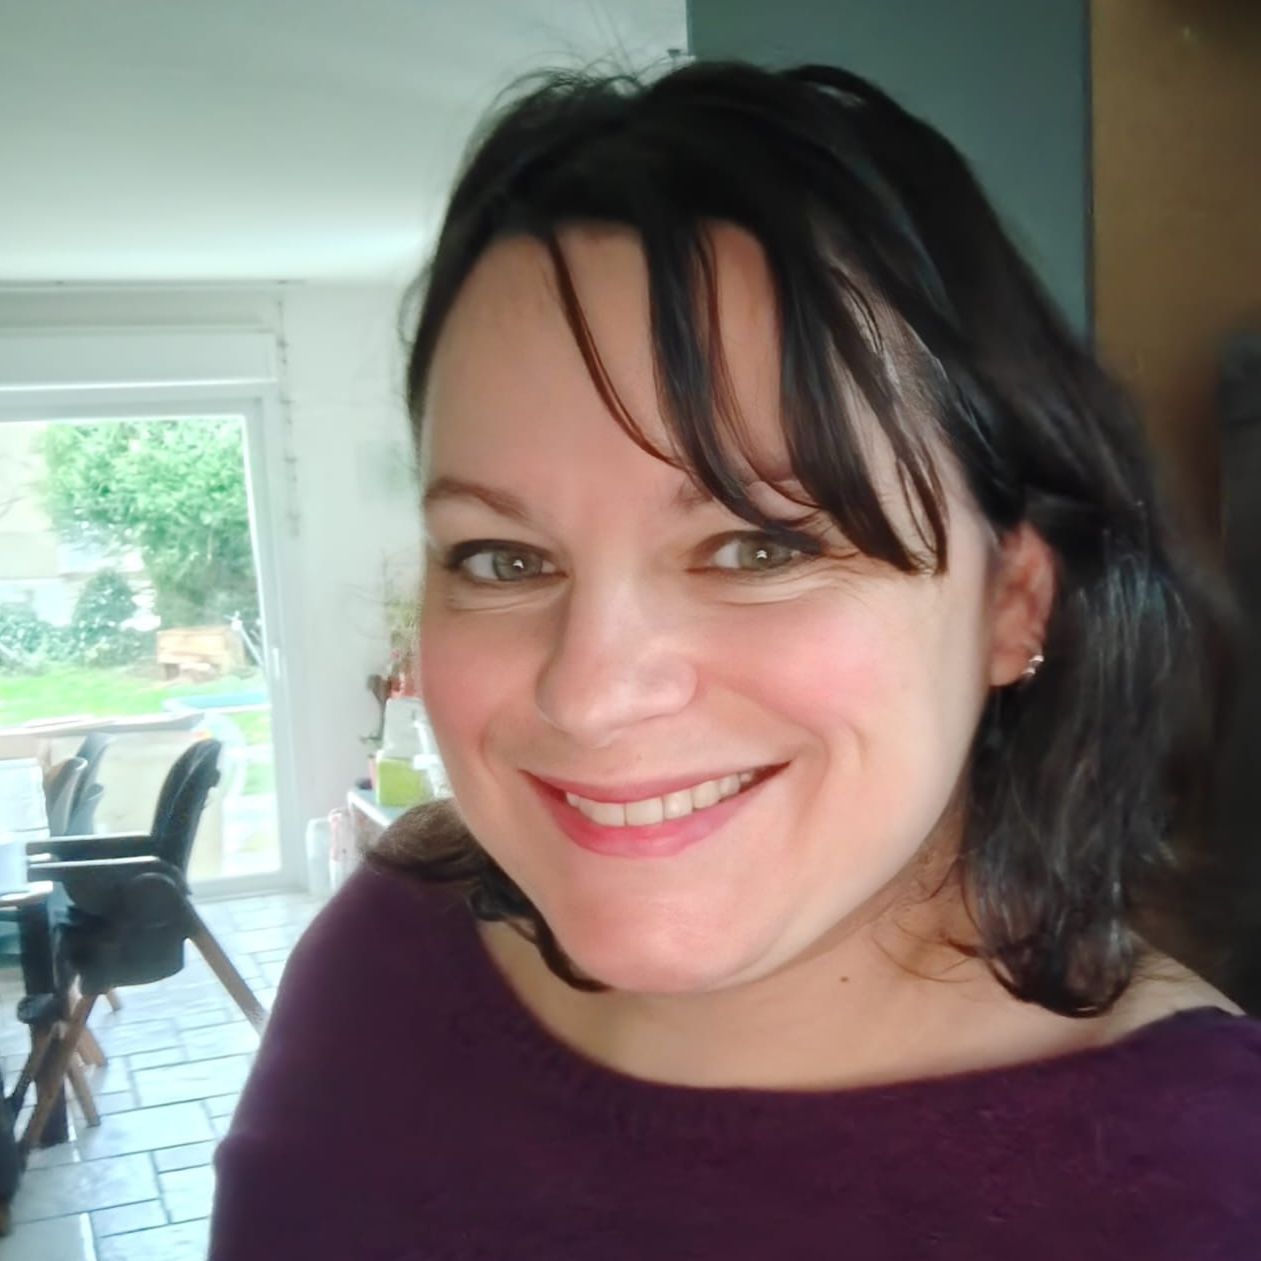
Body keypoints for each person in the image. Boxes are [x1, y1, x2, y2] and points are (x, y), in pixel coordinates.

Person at [210, 60, 1260, 1259]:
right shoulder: (392, 943)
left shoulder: (1200, 1187)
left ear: (1011, 605)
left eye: (760, 546)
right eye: (503, 558)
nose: (590, 693)